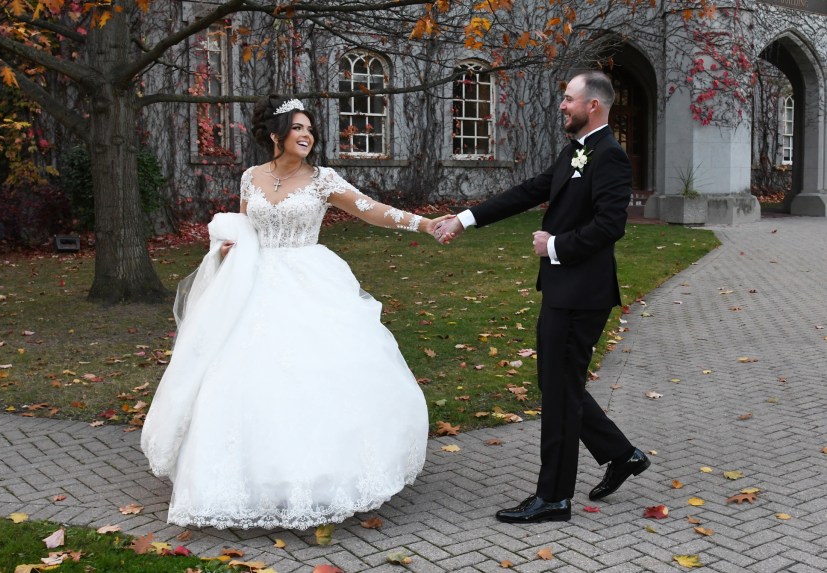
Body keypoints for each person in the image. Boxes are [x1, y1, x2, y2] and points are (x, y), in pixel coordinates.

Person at [141, 96, 450, 530]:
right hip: (252, 283)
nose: (306, 135)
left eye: (309, 129)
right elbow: (246, 226)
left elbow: (371, 211)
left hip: (309, 279)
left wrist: (424, 223)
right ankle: (244, 482)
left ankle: (319, 482)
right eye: (298, 128)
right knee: (239, 380)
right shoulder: (251, 177)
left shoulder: (323, 180)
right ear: (276, 135)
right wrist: (229, 247)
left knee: (315, 378)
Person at [434, 71, 650, 523]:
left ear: (592, 105)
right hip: (565, 291)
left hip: (581, 294)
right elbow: (531, 190)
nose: (561, 105)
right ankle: (620, 454)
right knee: (559, 385)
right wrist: (465, 219)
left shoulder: (609, 156)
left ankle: (553, 497)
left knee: (558, 393)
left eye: (568, 99)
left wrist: (552, 246)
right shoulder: (576, 151)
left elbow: (612, 226)